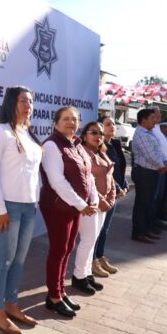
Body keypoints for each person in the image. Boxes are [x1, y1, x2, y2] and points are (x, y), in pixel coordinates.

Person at [0, 86, 42, 334]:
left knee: (18, 260)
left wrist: (35, 200)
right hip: (6, 207)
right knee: (3, 260)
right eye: (22, 100)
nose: (28, 105)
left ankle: (12, 304)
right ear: (11, 102)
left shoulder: (27, 133)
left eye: (30, 100)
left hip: (29, 206)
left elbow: (33, 173)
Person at [40, 106, 98, 318]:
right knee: (58, 250)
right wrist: (82, 205)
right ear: (56, 122)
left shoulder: (78, 145)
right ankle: (54, 297)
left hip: (74, 207)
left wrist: (93, 199)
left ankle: (60, 292)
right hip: (57, 207)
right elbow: (57, 182)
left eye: (74, 119)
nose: (70, 123)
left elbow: (88, 176)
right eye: (65, 119)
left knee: (67, 249)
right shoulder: (51, 145)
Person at [72, 121, 115, 294]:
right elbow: (87, 181)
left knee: (93, 240)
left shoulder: (102, 152)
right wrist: (102, 199)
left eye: (101, 134)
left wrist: (111, 197)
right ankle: (79, 277)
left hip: (104, 204)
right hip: (90, 203)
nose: (98, 136)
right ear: (84, 135)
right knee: (88, 240)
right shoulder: (82, 153)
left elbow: (110, 178)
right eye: (94, 133)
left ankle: (87, 273)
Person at [92, 115, 127, 277]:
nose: (112, 126)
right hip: (104, 193)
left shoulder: (115, 144)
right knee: (97, 229)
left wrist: (124, 184)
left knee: (105, 228)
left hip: (114, 192)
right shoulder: (99, 146)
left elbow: (119, 168)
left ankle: (100, 256)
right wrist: (118, 188)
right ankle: (93, 261)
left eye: (113, 124)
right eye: (107, 124)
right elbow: (105, 172)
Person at [131, 109, 167, 244]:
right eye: (152, 118)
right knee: (142, 204)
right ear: (143, 120)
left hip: (151, 171)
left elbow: (158, 151)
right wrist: (163, 166)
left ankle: (145, 230)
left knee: (148, 203)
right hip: (144, 173)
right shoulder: (141, 134)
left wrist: (164, 163)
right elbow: (150, 155)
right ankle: (138, 233)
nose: (154, 121)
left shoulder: (149, 133)